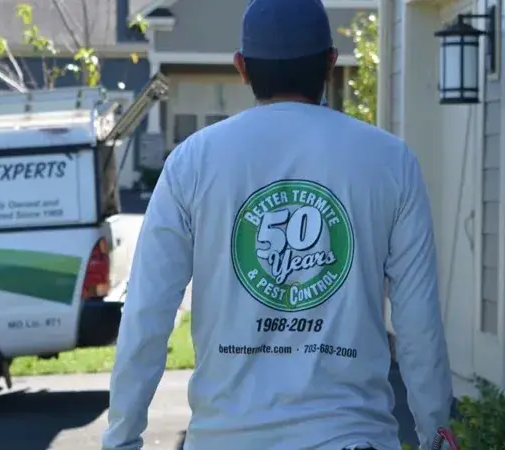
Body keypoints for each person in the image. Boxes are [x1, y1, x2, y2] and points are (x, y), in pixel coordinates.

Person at [102, 0, 453, 449]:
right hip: (352, 437)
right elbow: (418, 321)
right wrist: (435, 432)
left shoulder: (192, 162)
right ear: (330, 63)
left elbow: (147, 314)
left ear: (242, 68)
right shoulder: (389, 162)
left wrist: (122, 439)